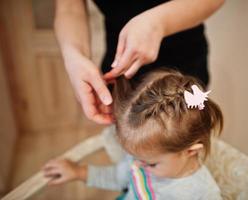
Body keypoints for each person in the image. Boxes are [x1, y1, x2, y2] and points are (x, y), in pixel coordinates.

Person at [43, 68, 223, 199]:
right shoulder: (144, 157)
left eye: (151, 164)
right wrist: (77, 172)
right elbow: (119, 177)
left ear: (190, 151)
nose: (138, 165)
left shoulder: (202, 193)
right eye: (135, 158)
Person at [54, 0, 225, 124]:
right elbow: (69, 7)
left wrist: (159, 22)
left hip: (183, 60)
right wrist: (74, 54)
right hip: (121, 69)